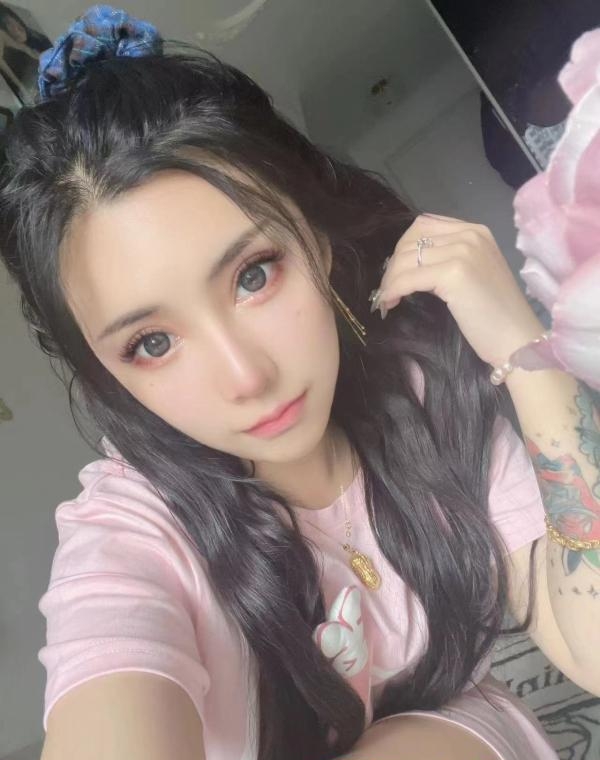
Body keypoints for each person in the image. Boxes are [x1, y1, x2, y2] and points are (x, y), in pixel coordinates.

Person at [1, 5, 598, 760]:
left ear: (314, 238)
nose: (246, 376)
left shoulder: (417, 395)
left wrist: (519, 345)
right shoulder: (134, 535)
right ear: (106, 373)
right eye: (152, 343)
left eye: (254, 275)